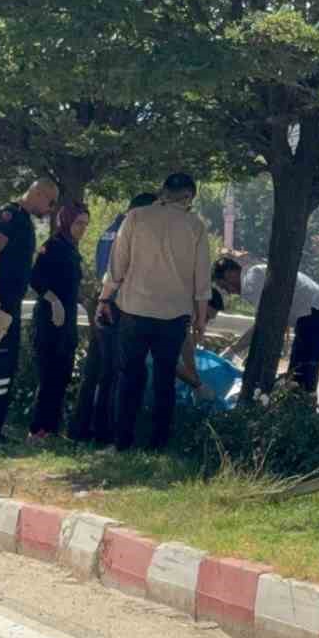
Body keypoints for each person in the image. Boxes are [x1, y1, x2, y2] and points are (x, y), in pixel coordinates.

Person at [97, 173, 211, 450]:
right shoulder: (195, 226)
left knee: (129, 377)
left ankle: (122, 441)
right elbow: (202, 280)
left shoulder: (136, 217)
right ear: (188, 196)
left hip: (134, 309)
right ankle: (158, 444)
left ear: (163, 191)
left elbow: (117, 266)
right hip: (174, 315)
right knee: (165, 379)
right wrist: (200, 318)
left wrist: (104, 298)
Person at [0, 179, 59, 449]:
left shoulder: (24, 220)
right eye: (50, 202)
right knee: (0, 366)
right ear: (38, 193)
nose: (51, 209)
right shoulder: (8, 216)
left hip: (7, 304)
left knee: (3, 366)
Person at [70, 192, 155, 445]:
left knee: (97, 369)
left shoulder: (109, 230)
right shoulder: (129, 233)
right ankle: (105, 432)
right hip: (119, 307)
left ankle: (81, 428)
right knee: (116, 372)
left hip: (104, 304)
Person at [213, 258, 319, 394]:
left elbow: (265, 322)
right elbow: (270, 320)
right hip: (312, 317)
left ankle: (303, 403)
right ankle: (302, 402)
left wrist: (233, 350)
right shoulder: (253, 279)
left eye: (224, 286)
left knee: (302, 377)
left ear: (230, 274)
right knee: (299, 376)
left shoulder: (253, 278)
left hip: (317, 314)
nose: (228, 292)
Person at [28, 203, 90, 442]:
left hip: (68, 320)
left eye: (85, 224)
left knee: (62, 373)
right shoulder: (53, 246)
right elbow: (35, 279)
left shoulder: (72, 249)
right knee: (49, 375)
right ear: (66, 222)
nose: (82, 228)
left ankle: (52, 429)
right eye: (78, 223)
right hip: (49, 318)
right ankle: (38, 430)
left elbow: (72, 286)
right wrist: (53, 300)